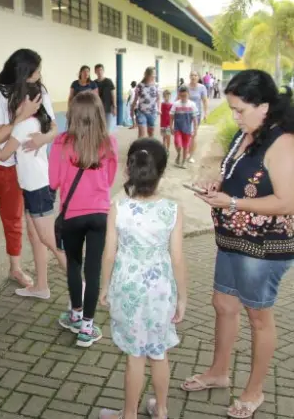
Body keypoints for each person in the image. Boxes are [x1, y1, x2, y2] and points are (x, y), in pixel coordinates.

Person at [185, 70, 294, 418]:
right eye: (231, 109)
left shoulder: (283, 142)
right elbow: (236, 172)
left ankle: (255, 390)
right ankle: (219, 372)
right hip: (232, 238)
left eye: (239, 110)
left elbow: (286, 203)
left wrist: (230, 204)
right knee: (222, 304)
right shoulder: (247, 133)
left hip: (264, 247)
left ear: (264, 106)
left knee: (258, 317)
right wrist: (218, 182)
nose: (234, 117)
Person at [98, 138, 187, 419]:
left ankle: (128, 415)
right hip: (161, 289)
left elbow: (109, 254)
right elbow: (177, 257)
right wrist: (182, 297)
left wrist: (104, 287)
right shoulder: (172, 209)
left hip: (127, 288)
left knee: (135, 356)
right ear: (162, 172)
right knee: (159, 352)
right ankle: (160, 410)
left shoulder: (119, 206)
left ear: (129, 170)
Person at [0, 49, 58, 296]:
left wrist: (44, 139)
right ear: (23, 73)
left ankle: (15, 268)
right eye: (36, 70)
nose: (40, 75)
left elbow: (52, 126)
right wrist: (21, 117)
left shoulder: (39, 89)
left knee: (14, 216)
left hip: (13, 161)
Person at [51, 91, 118, 348]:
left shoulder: (61, 143)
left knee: (73, 265)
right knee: (93, 270)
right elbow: (110, 180)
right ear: (99, 114)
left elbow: (54, 181)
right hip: (100, 214)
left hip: (72, 216)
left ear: (72, 115)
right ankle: (87, 329)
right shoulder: (109, 143)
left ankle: (75, 315)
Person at [170, 85, 198, 169]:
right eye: (181, 96)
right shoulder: (176, 104)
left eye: (185, 95)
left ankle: (183, 161)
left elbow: (194, 118)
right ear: (179, 95)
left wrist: (195, 129)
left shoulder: (192, 105)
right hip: (177, 128)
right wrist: (171, 126)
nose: (183, 97)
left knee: (185, 146)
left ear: (188, 94)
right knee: (178, 144)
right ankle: (179, 154)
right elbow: (171, 116)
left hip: (187, 129)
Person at [131, 67, 160, 139]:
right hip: (141, 112)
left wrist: (159, 109)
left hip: (152, 112)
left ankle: (150, 148)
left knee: (151, 134)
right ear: (148, 75)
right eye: (153, 74)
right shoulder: (140, 85)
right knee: (141, 134)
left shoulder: (156, 85)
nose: (154, 76)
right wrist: (131, 111)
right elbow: (135, 99)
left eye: (155, 74)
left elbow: (158, 98)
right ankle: (140, 148)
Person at [187, 71, 209, 164]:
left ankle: (190, 155)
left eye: (195, 75)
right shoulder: (185, 87)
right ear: (189, 76)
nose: (193, 77)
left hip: (196, 115)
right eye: (191, 75)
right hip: (185, 114)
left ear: (198, 77)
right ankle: (186, 152)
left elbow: (205, 101)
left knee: (193, 135)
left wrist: (206, 113)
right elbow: (178, 99)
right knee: (187, 134)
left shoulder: (202, 87)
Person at [95, 64, 117, 133]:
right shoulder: (93, 83)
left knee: (107, 129)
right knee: (99, 129)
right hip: (97, 109)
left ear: (103, 71)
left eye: (101, 70)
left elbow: (113, 94)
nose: (99, 72)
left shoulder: (108, 81)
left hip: (108, 109)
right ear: (95, 72)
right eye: (97, 70)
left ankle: (107, 143)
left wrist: (114, 106)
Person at [160, 90, 173, 155]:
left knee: (168, 136)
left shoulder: (171, 104)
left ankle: (168, 149)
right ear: (163, 97)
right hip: (163, 123)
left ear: (170, 97)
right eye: (165, 96)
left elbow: (172, 115)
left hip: (168, 123)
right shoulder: (162, 104)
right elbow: (160, 112)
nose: (167, 98)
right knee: (164, 136)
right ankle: (164, 147)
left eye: (168, 96)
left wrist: (171, 123)